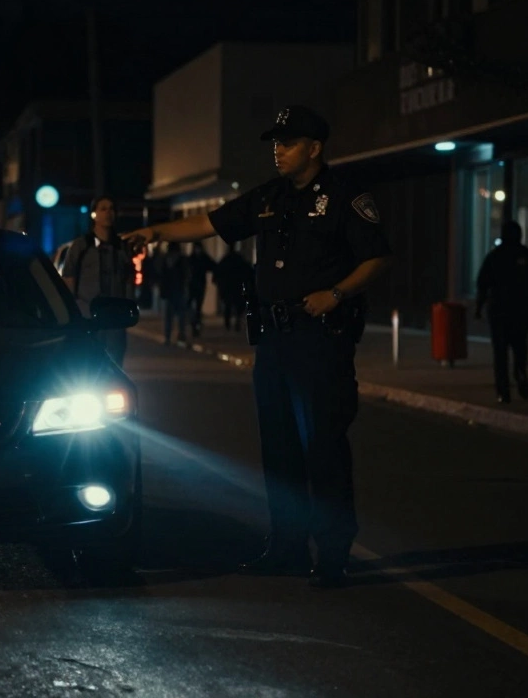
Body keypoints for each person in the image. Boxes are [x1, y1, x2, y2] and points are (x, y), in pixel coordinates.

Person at [121, 105, 393, 588]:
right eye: (275, 142)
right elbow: (209, 223)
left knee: (323, 448)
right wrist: (154, 232)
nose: (278, 150)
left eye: (287, 143)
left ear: (314, 147)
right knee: (279, 448)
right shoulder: (269, 197)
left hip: (320, 340)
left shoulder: (346, 195)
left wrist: (336, 294)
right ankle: (285, 545)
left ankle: (332, 553)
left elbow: (376, 258)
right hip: (274, 341)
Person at [60, 194, 136, 367]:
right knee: (88, 365)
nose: (108, 213)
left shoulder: (122, 246)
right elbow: (69, 278)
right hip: (88, 316)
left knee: (115, 365)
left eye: (112, 209)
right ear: (94, 214)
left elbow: (128, 280)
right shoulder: (81, 246)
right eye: (103, 209)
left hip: (115, 319)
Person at [475, 220, 528, 403]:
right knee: (520, 346)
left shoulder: (495, 257)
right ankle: (520, 372)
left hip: (499, 310)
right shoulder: (527, 256)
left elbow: (482, 284)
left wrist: (479, 308)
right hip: (521, 310)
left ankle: (503, 391)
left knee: (500, 352)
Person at [155, 242, 190, 344]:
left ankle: (168, 337)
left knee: (170, 316)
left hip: (171, 291)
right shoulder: (181, 260)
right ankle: (180, 335)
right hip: (177, 291)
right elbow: (186, 275)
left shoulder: (165, 260)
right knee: (180, 315)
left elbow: (159, 272)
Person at [214, 243, 254, 332]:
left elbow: (218, 272)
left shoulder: (225, 260)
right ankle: (235, 321)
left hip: (228, 286)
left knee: (228, 305)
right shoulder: (238, 260)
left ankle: (228, 323)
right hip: (236, 286)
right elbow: (248, 271)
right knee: (237, 305)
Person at [187, 241, 217, 336]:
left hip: (199, 285)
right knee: (191, 305)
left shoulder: (202, 258)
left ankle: (196, 325)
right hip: (193, 285)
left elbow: (213, 266)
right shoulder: (192, 259)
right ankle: (194, 323)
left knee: (198, 307)